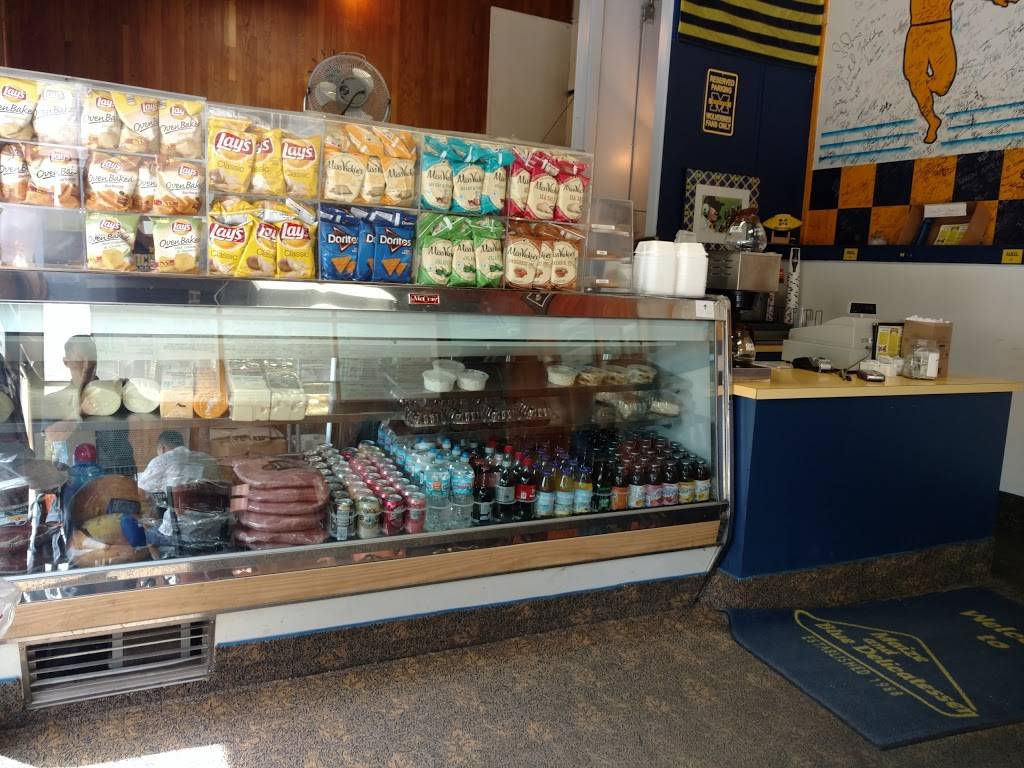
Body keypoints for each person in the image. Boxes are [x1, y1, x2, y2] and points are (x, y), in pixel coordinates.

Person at [904, 0, 1015, 144]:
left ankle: (925, 91)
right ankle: (932, 121)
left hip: (940, 29)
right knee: (914, 77)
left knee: (942, 86)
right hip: (916, 31)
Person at [43, 335, 136, 475]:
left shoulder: (118, 392)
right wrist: (79, 412)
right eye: (80, 360)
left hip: (118, 471)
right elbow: (53, 436)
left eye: (91, 359)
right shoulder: (54, 400)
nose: (87, 366)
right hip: (76, 476)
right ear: (66, 362)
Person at [136, 430, 219, 494]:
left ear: (162, 448)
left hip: (178, 510)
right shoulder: (207, 458)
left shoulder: (162, 460)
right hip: (213, 508)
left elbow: (141, 490)